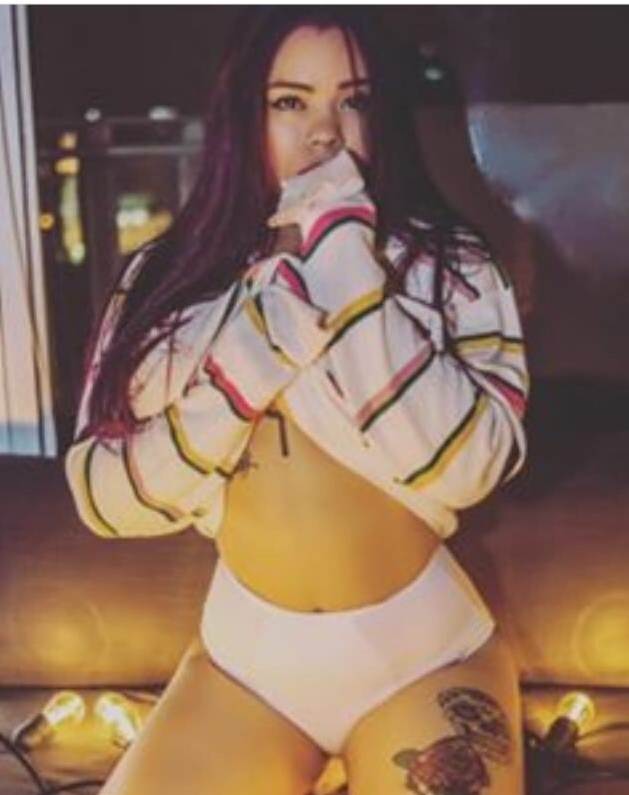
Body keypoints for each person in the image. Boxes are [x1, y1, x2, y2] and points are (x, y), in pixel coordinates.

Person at [65, 8, 529, 794]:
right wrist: (244, 367)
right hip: (247, 671)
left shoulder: (449, 264)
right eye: (290, 101)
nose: (325, 132)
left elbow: (470, 467)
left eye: (353, 100)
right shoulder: (165, 283)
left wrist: (345, 259)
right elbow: (103, 496)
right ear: (242, 115)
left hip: (422, 658)